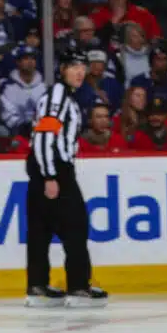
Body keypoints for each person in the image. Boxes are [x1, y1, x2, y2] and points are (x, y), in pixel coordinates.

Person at [25, 51, 108, 309]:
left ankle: (37, 287)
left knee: (42, 228)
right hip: (54, 168)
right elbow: (44, 139)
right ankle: (78, 287)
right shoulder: (58, 99)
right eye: (73, 66)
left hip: (46, 166)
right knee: (75, 226)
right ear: (62, 70)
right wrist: (50, 174)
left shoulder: (60, 97)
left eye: (82, 66)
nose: (80, 72)